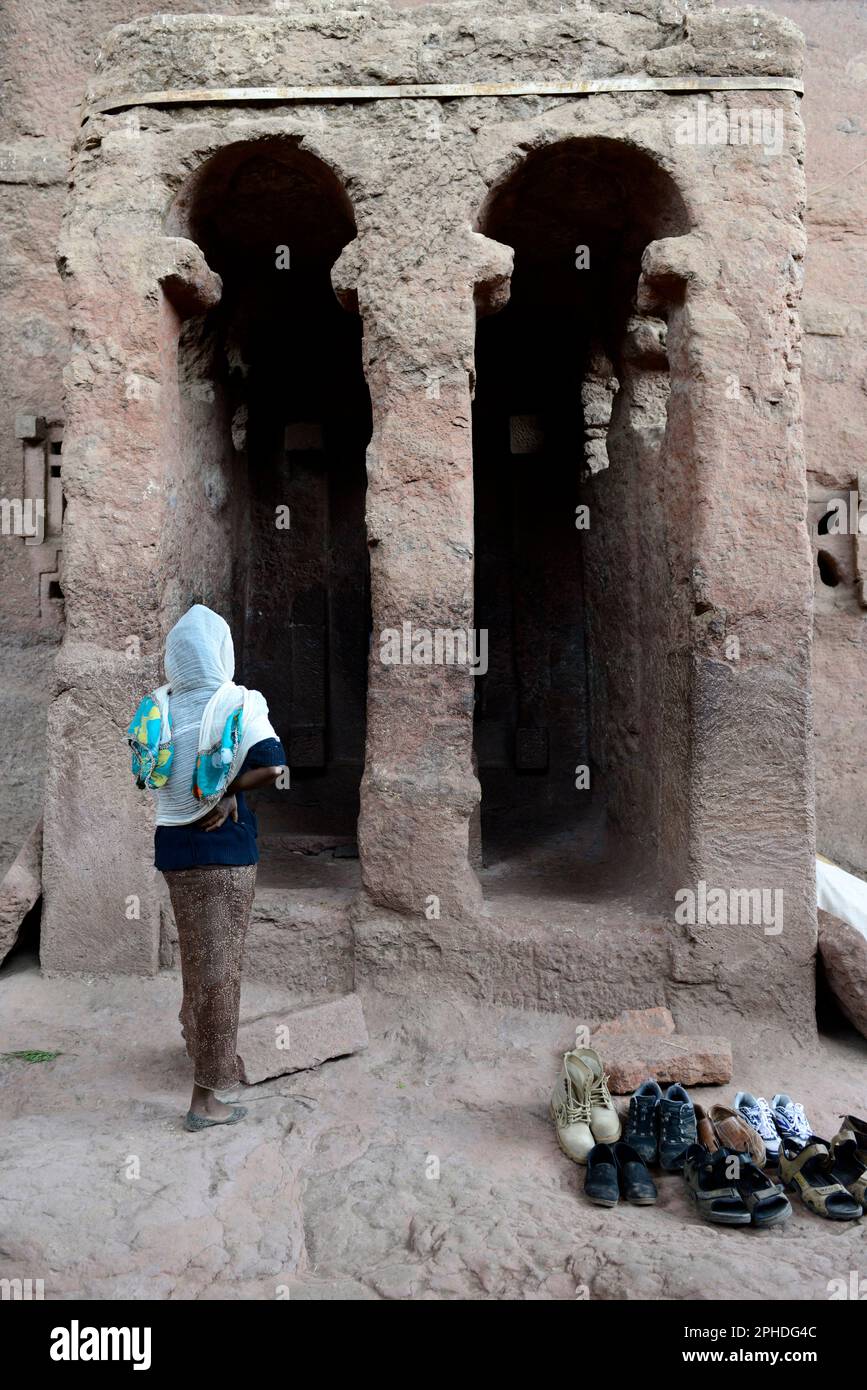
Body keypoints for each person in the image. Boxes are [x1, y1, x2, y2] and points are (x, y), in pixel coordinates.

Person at [127, 604, 285, 1131]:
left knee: (197, 960)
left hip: (174, 847)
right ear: (221, 651)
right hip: (225, 854)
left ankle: (198, 1047)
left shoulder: (159, 706)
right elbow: (273, 765)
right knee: (221, 972)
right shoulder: (237, 701)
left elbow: (149, 774)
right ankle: (205, 1100)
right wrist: (227, 794)